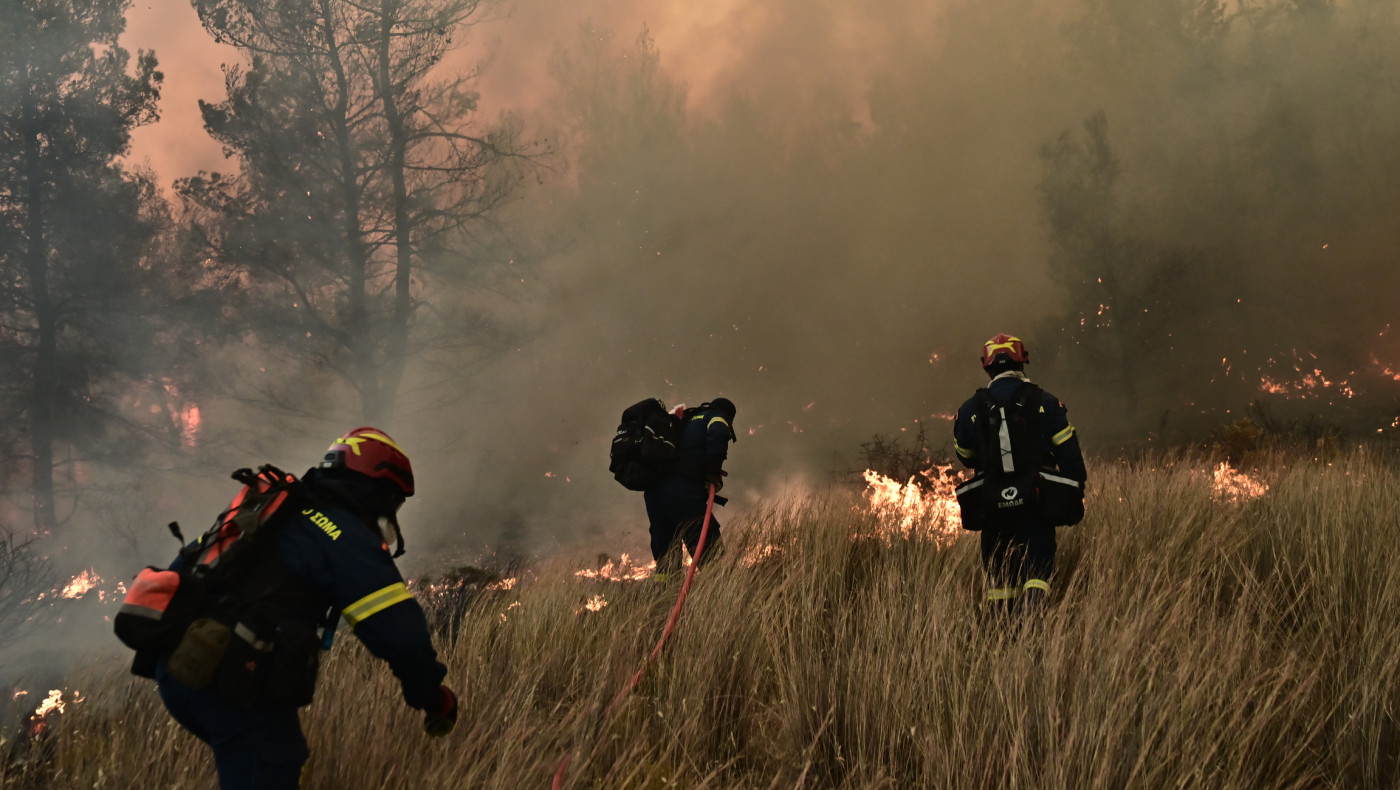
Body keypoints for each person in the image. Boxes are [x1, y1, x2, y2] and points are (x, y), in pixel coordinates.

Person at [152, 427, 457, 789]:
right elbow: (398, 632)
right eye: (394, 501)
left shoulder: (280, 509)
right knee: (268, 765)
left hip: (180, 665)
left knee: (263, 760)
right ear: (380, 490)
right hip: (230, 674)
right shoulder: (344, 533)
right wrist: (432, 696)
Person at [953, 335, 1086, 612]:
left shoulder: (970, 409)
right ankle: (1035, 634)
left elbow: (965, 457)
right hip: (1036, 503)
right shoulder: (1046, 402)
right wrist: (1074, 495)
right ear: (1023, 361)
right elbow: (1069, 456)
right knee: (1037, 574)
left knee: (1000, 581)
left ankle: (1002, 641)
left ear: (986, 367)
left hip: (991, 505)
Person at [644, 398, 737, 580]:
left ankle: (663, 597)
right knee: (707, 546)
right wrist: (713, 471)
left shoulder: (685, 420)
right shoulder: (716, 416)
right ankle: (719, 589)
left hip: (654, 493)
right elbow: (718, 432)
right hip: (682, 492)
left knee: (666, 552)